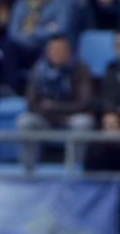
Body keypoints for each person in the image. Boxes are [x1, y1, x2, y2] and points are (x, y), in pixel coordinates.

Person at [16, 34, 94, 169]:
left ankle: (74, 169)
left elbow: (84, 103)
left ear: (69, 52)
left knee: (84, 122)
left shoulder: (80, 69)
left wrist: (54, 107)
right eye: (54, 50)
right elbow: (31, 102)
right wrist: (51, 114)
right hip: (46, 118)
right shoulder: (38, 69)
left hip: (71, 118)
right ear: (47, 52)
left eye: (61, 50)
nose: (57, 53)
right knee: (25, 121)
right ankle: (28, 171)